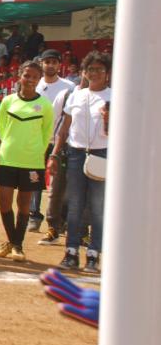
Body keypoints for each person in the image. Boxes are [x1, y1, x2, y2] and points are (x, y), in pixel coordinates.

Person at [51, 51, 111, 273]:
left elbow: (118, 133)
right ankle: (71, 252)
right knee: (74, 205)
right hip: (76, 153)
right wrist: (55, 154)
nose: (94, 73)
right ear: (84, 72)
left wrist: (108, 120)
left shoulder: (113, 96)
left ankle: (94, 255)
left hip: (102, 154)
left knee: (97, 207)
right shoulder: (76, 95)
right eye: (90, 69)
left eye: (99, 69)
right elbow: (64, 129)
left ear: (107, 73)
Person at [0, 61, 54, 262]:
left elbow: (46, 133)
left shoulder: (45, 105)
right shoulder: (8, 101)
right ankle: (14, 242)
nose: (30, 80)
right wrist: (10, 144)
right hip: (7, 158)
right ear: (20, 76)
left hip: (31, 161)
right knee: (4, 203)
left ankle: (16, 245)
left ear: (39, 79)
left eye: (35, 77)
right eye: (27, 75)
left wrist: (36, 153)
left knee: (24, 204)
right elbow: (2, 128)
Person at [27, 49, 76, 231]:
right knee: (34, 179)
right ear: (41, 63)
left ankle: (60, 218)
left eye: (54, 62)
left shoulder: (69, 87)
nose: (50, 65)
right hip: (37, 140)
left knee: (60, 182)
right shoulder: (34, 84)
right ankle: (34, 215)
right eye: (47, 62)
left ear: (59, 64)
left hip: (60, 141)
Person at [39, 66, 85, 246]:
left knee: (83, 192)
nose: (89, 74)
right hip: (64, 148)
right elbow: (55, 121)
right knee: (56, 190)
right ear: (82, 72)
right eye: (86, 70)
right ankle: (53, 228)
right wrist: (53, 150)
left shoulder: (107, 96)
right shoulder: (67, 94)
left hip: (89, 150)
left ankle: (82, 232)